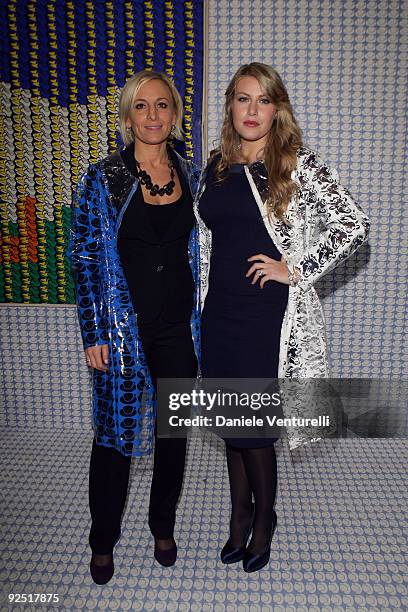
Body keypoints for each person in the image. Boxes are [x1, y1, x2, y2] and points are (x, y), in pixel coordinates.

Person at [194, 62, 370, 573]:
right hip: (218, 312)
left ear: (277, 110)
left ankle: (264, 518)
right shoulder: (215, 167)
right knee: (232, 421)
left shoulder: (295, 164)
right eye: (243, 99)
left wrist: (295, 268)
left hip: (265, 316)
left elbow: (352, 225)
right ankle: (239, 515)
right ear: (230, 106)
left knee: (256, 428)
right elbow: (206, 238)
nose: (252, 110)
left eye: (263, 100)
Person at [68, 70, 201, 584]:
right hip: (122, 331)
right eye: (141, 107)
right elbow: (82, 256)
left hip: (179, 330)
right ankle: (103, 539)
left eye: (162, 105)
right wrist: (93, 331)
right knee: (114, 440)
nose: (152, 116)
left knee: (173, 438)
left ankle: (162, 526)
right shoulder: (105, 177)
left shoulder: (191, 174)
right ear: (127, 118)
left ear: (174, 114)